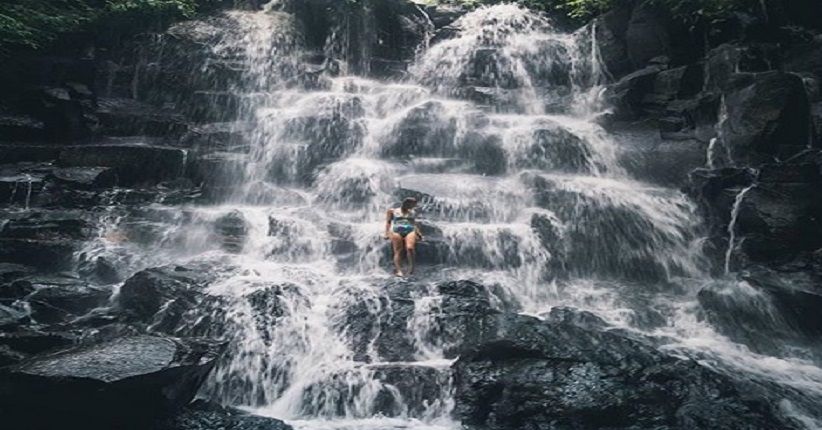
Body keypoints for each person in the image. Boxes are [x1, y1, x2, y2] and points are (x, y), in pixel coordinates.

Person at [384, 197, 423, 276]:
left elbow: (414, 223)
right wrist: (386, 233)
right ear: (407, 203)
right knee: (398, 250)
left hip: (410, 231)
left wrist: (419, 233)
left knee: (410, 248)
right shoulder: (392, 211)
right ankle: (399, 270)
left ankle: (411, 268)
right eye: (413, 205)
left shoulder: (412, 212)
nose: (414, 207)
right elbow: (388, 222)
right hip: (396, 231)